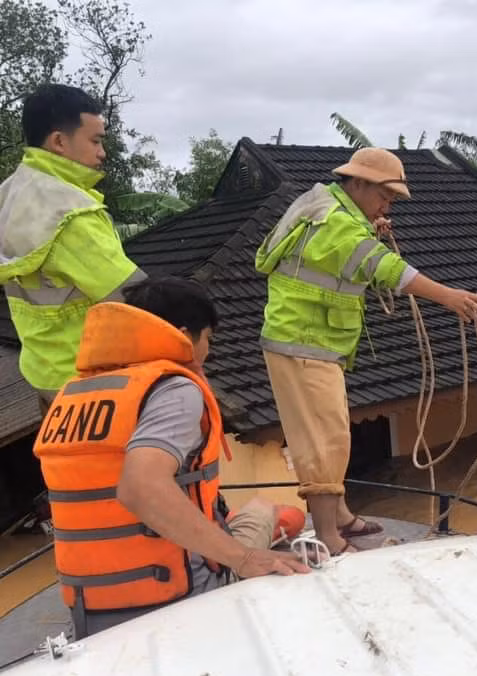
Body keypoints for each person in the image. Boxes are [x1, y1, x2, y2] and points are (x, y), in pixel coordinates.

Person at [33, 276, 309, 638]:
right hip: (177, 596)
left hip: (90, 607)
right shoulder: (172, 389)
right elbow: (141, 487)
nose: (208, 350)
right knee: (271, 512)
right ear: (183, 335)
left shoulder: (75, 393)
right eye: (207, 338)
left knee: (251, 513)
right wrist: (244, 560)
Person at [255, 147, 477, 556]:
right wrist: (448, 296)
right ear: (357, 183)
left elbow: (352, 257)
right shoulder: (340, 226)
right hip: (302, 341)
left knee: (334, 431)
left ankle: (340, 516)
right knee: (324, 440)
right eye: (385, 195)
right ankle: (328, 537)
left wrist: (368, 227)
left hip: (312, 341)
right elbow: (387, 269)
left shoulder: (327, 208)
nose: (387, 204)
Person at [0, 84, 145, 414]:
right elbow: (135, 297)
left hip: (46, 375)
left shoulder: (11, 196)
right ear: (60, 142)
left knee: (65, 466)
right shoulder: (70, 214)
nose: (102, 153)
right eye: (95, 140)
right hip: (93, 383)